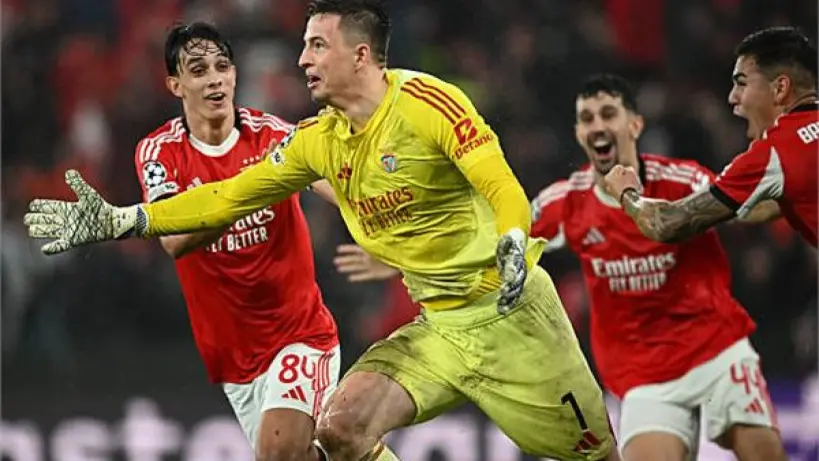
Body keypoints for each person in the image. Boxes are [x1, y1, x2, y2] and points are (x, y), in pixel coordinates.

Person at [23, 1, 619, 460]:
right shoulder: (315, 141)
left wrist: (512, 235)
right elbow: (227, 197)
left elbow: (500, 182)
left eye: (315, 46)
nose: (302, 60)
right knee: (340, 429)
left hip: (513, 317)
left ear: (359, 55)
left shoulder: (428, 104)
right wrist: (126, 219)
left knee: (594, 456)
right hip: (438, 327)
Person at [333, 74, 788, 461]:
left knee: (762, 451)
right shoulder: (566, 202)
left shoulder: (681, 180)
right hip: (646, 374)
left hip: (713, 349)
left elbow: (749, 208)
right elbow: (493, 241)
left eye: (608, 114)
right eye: (586, 119)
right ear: (578, 133)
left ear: (635, 124)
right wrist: (399, 256)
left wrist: (792, 188)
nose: (597, 126)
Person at [138, 22, 342, 461]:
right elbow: (174, 240)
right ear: (176, 85)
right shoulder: (160, 153)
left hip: (300, 334)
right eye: (198, 70)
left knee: (278, 452)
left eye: (222, 66)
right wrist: (252, 190)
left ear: (234, 75)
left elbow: (338, 190)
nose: (214, 79)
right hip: (234, 359)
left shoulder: (274, 137)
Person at [604, 26, 817, 248]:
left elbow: (666, 224)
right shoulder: (792, 159)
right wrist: (714, 195)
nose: (732, 97)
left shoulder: (774, 153)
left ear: (780, 88)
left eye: (742, 84)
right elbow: (765, 206)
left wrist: (627, 194)